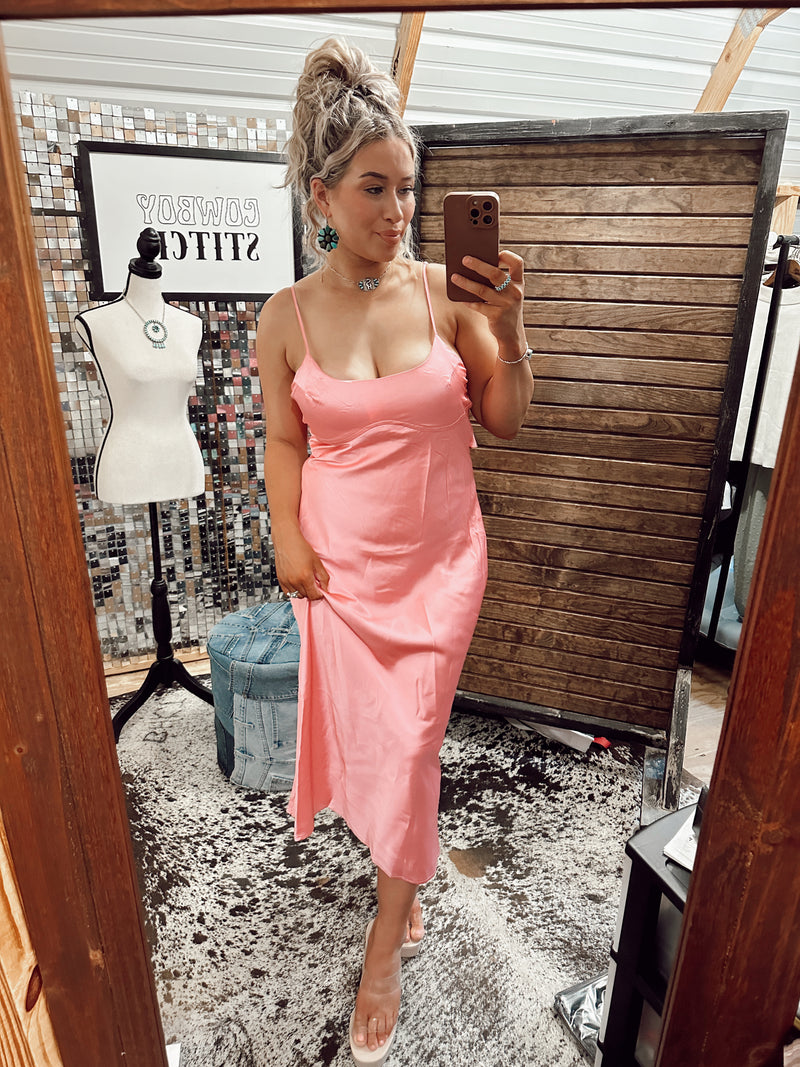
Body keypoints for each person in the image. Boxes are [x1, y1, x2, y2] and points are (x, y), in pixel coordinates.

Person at [257, 38, 533, 1066]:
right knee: (378, 746)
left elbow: (504, 416)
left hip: (440, 564)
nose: (397, 210)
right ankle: (402, 868)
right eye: (374, 188)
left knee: (411, 741)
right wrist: (285, 530)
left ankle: (384, 948)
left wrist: (512, 325)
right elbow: (283, 438)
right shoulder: (283, 316)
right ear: (321, 195)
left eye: (407, 188)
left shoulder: (444, 294)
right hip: (340, 573)